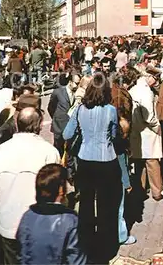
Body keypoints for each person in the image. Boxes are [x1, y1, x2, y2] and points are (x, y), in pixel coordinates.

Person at [0, 107, 60, 264]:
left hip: (8, 225)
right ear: (39, 126)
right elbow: (56, 193)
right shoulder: (49, 152)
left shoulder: (0, 151)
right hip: (39, 226)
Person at [63, 73, 122, 264]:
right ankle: (106, 248)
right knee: (107, 206)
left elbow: (67, 133)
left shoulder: (80, 110)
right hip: (107, 160)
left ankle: (87, 244)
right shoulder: (111, 110)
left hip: (86, 160)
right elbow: (114, 135)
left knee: (86, 204)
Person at [16, 164, 87, 265]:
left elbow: (21, 254)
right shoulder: (70, 221)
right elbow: (77, 260)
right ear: (61, 190)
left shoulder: (27, 216)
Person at [111, 70, 137, 245]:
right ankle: (121, 234)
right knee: (118, 203)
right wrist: (127, 182)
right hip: (116, 168)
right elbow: (121, 159)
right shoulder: (122, 98)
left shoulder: (108, 95)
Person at [129, 67, 163, 201]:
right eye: (155, 79)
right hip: (148, 131)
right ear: (149, 77)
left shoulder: (134, 89)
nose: (155, 82)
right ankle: (157, 191)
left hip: (136, 130)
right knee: (152, 162)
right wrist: (157, 127)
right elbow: (149, 117)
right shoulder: (146, 92)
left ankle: (140, 190)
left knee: (140, 162)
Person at [48, 73, 81, 156]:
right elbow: (51, 107)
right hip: (59, 126)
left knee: (70, 152)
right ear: (70, 82)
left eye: (79, 83)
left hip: (72, 127)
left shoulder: (78, 94)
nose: (77, 86)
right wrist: (57, 118)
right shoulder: (58, 92)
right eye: (76, 83)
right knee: (58, 150)